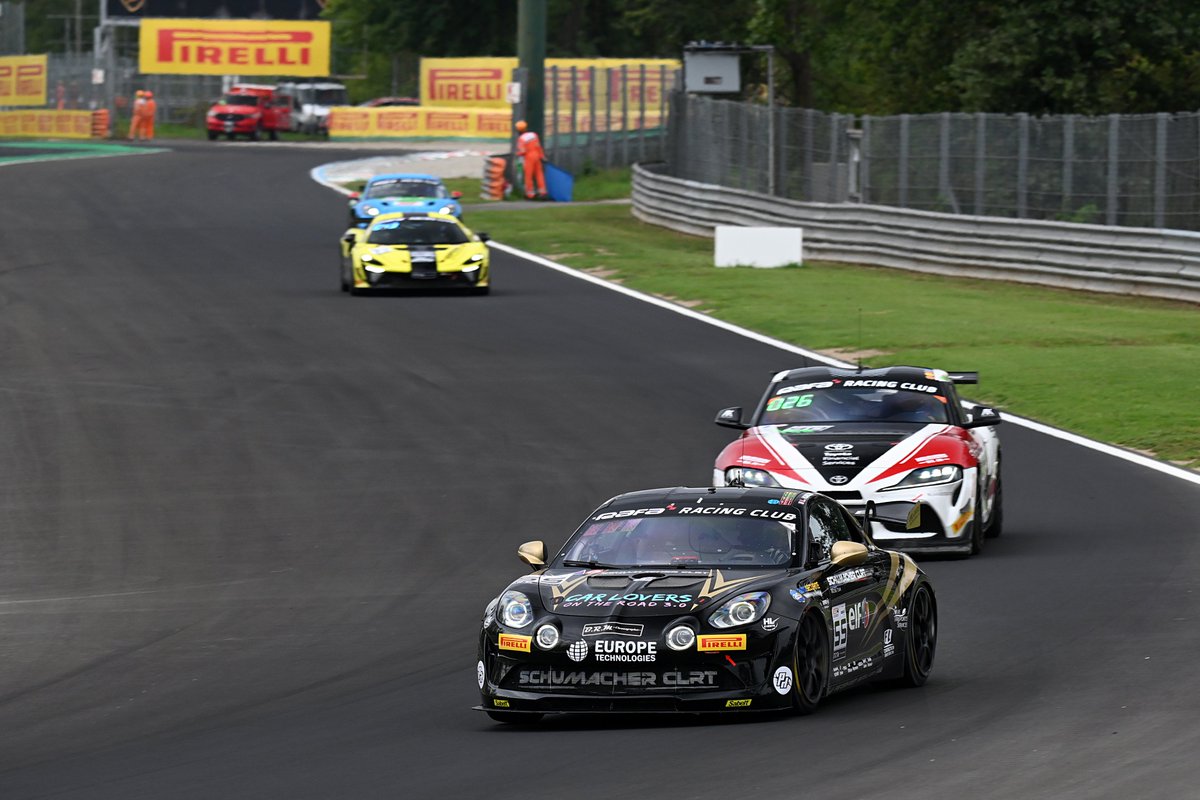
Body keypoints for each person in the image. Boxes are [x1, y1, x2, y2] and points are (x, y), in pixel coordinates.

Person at [514, 119, 547, 199]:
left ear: (518, 130)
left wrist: (517, 154)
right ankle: (542, 192)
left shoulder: (521, 139)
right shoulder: (533, 135)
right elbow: (538, 147)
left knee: (528, 176)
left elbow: (522, 151)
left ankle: (530, 193)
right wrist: (542, 156)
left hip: (529, 157)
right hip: (537, 156)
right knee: (539, 174)